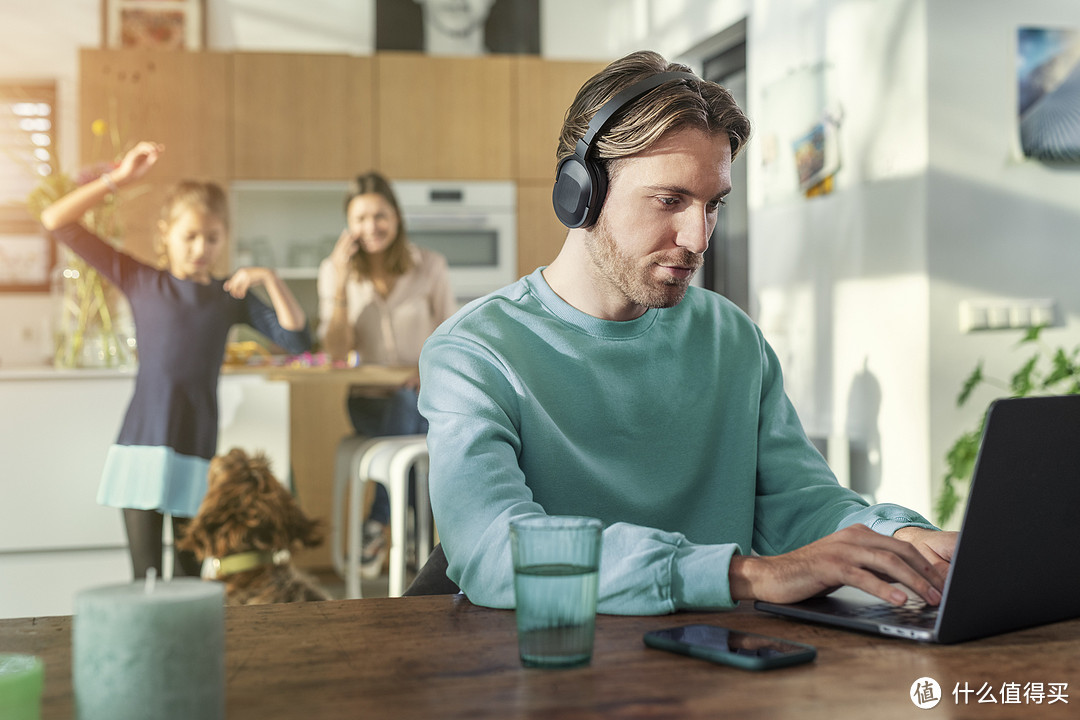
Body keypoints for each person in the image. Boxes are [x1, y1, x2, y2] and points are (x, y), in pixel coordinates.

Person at [417, 50, 957, 615]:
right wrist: (741, 575)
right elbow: (493, 548)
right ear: (581, 194)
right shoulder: (474, 354)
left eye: (713, 205)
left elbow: (799, 503)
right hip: (556, 668)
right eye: (670, 201)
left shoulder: (732, 338)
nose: (698, 238)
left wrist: (898, 541)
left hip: (720, 668)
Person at [40, 141, 311, 580]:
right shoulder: (139, 279)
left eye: (212, 237)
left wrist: (269, 279)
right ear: (165, 232)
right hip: (141, 446)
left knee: (188, 581)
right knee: (144, 580)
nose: (201, 247)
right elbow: (57, 221)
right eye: (190, 236)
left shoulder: (229, 298)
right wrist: (118, 179)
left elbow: (298, 341)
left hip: (197, 451)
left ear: (225, 237)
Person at [317, 171, 455, 578]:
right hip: (368, 403)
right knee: (401, 407)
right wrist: (341, 286)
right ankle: (420, 538)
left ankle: (377, 523)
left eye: (380, 215)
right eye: (360, 218)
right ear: (349, 224)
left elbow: (451, 335)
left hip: (423, 399)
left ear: (396, 217)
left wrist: (421, 369)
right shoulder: (335, 270)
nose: (371, 226)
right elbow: (337, 352)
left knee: (408, 403)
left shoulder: (429, 266)